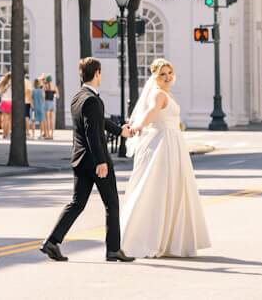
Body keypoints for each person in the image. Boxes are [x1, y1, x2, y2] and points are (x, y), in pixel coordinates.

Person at [42, 56, 134, 264]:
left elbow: (99, 121)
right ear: (97, 73)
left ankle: (52, 242)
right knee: (112, 204)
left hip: (80, 159)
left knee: (77, 203)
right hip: (95, 160)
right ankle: (113, 249)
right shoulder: (92, 100)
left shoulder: (78, 97)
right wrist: (101, 161)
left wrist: (120, 131)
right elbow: (93, 132)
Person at [119, 57, 211, 259]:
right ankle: (149, 239)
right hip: (163, 143)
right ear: (155, 76)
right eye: (162, 74)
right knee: (159, 189)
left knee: (173, 189)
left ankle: (169, 240)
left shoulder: (166, 93)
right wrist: (138, 127)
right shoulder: (159, 94)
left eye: (169, 73)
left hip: (173, 142)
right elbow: (151, 112)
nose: (167, 77)